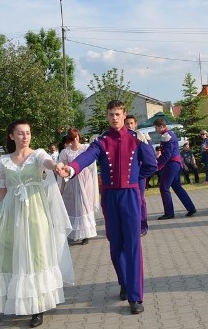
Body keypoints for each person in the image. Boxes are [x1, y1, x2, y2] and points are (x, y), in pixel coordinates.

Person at [58, 100, 157, 315]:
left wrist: (134, 180)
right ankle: (124, 280)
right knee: (115, 244)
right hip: (110, 196)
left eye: (118, 114)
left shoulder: (137, 139)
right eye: (111, 114)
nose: (114, 118)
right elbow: (86, 158)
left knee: (133, 245)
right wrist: (71, 169)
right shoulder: (100, 142)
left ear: (124, 115)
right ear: (107, 116)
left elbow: (151, 165)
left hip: (130, 195)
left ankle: (135, 295)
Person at [0, 119, 73, 328]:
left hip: (36, 212)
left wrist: (57, 166)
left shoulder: (37, 154)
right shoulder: (4, 162)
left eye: (28, 132)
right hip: (13, 212)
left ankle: (38, 307)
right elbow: (2, 190)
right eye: (20, 133)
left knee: (36, 255)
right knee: (17, 255)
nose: (25, 136)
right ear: (11, 136)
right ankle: (18, 300)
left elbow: (49, 163)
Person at [58, 128, 100, 245]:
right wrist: (61, 186)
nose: (75, 139)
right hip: (72, 181)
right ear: (70, 139)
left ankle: (86, 234)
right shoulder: (66, 152)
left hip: (85, 180)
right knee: (73, 207)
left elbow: (91, 164)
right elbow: (63, 167)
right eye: (72, 138)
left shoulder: (86, 148)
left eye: (76, 137)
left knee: (84, 206)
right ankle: (76, 232)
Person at [154, 118, 197, 219]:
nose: (155, 130)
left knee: (164, 187)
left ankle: (169, 213)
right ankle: (191, 208)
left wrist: (159, 166)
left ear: (161, 126)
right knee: (176, 186)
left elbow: (167, 154)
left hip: (171, 164)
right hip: (177, 163)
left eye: (156, 128)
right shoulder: (170, 133)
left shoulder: (166, 136)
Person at [125, 114, 152, 236]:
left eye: (131, 123)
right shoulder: (123, 138)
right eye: (127, 123)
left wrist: (140, 175)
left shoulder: (141, 137)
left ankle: (142, 226)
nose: (129, 125)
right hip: (126, 176)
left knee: (140, 199)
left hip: (139, 174)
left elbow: (150, 158)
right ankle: (130, 225)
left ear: (135, 124)